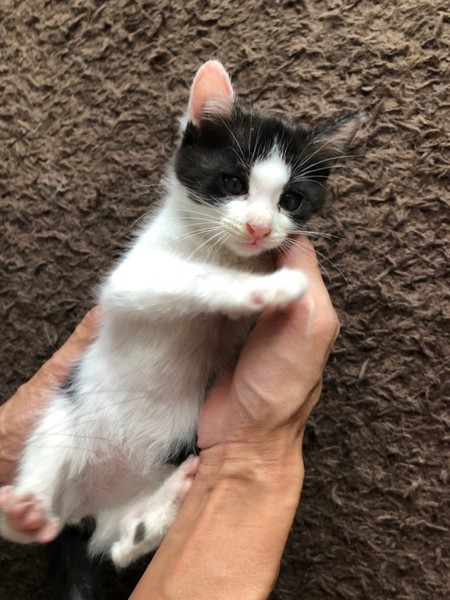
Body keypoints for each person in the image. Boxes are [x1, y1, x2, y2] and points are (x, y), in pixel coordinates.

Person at [0, 238, 339, 599]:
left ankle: (132, 520)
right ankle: (33, 499)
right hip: (86, 429)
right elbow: (123, 289)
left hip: (148, 465)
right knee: (58, 421)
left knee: (182, 469)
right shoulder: (172, 233)